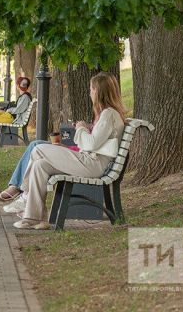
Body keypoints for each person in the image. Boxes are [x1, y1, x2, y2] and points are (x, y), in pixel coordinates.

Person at [13, 72, 126, 230]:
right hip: (89, 161)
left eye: (92, 89)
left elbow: (91, 144)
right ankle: (35, 218)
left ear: (98, 91)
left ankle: (24, 194)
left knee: (38, 149)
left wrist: (80, 129)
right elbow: (92, 144)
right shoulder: (107, 114)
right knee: (40, 165)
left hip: (93, 165)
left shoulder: (108, 115)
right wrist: (77, 138)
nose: (90, 93)